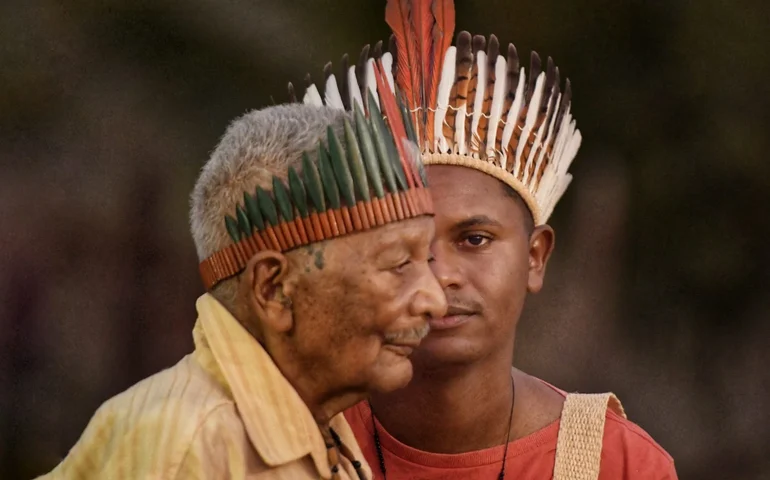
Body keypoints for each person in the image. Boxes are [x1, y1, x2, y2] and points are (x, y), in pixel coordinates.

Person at [294, 0, 678, 478]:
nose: (438, 276)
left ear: (535, 257)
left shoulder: (620, 465)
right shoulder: (288, 448)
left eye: (474, 239)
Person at [37, 81, 447, 479]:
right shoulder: (193, 447)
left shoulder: (314, 432)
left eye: (425, 259)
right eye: (397, 265)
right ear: (274, 290)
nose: (434, 300)